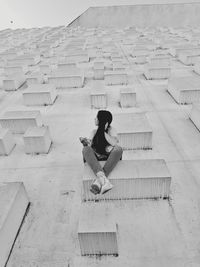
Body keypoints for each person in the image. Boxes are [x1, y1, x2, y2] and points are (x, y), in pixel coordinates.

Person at [80, 110, 123, 195]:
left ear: (102, 120)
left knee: (119, 149)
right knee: (85, 149)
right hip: (96, 156)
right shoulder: (93, 132)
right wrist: (85, 142)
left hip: (109, 156)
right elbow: (89, 145)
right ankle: (103, 181)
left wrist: (102, 130)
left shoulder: (111, 130)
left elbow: (114, 143)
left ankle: (99, 182)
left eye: (97, 117)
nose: (95, 119)